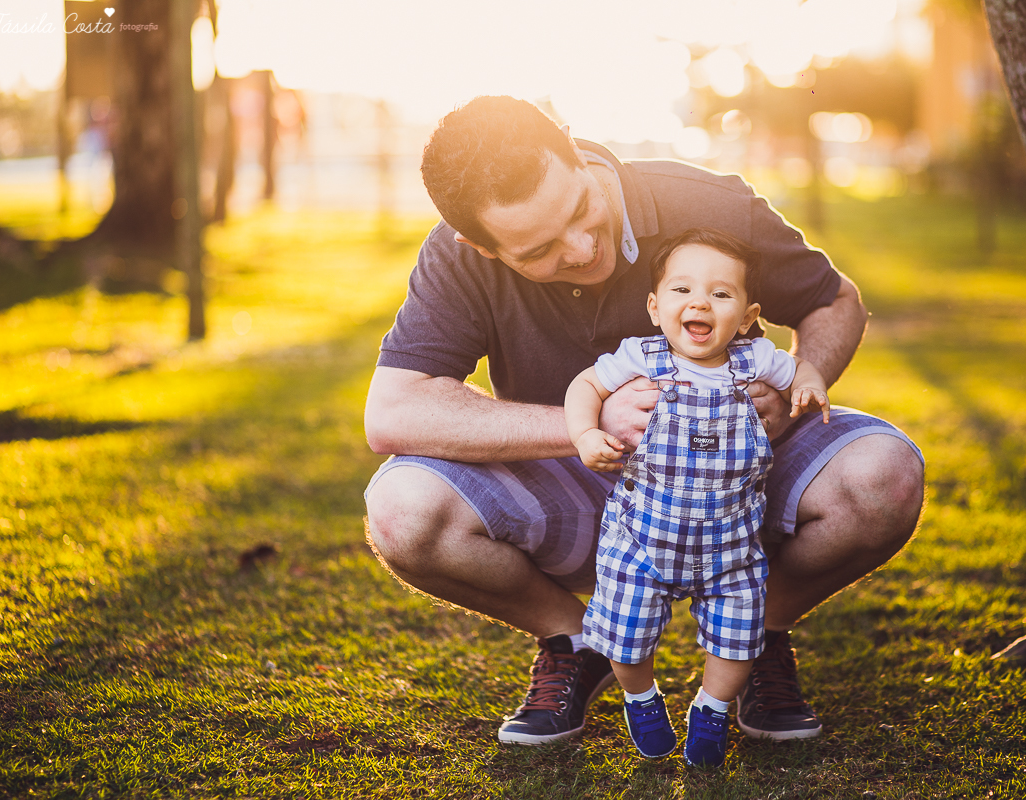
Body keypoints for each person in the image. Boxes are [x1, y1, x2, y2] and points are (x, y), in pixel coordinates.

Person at [363, 95, 924, 749]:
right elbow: (394, 407)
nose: (580, 247)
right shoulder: (456, 259)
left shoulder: (709, 205)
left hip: (739, 473)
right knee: (402, 510)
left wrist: (803, 381)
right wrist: (587, 426)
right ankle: (579, 640)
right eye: (541, 248)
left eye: (579, 210)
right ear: (480, 247)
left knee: (886, 477)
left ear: (572, 147)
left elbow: (834, 301)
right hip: (582, 484)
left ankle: (755, 634)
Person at [565, 227, 831, 767]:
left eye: (721, 293)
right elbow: (583, 387)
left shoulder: (755, 360)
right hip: (642, 540)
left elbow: (801, 367)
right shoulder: (641, 356)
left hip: (730, 547)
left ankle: (711, 708)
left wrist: (811, 382)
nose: (700, 302)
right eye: (682, 290)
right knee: (626, 636)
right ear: (654, 305)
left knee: (737, 640)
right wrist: (585, 435)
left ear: (749, 314)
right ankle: (642, 699)